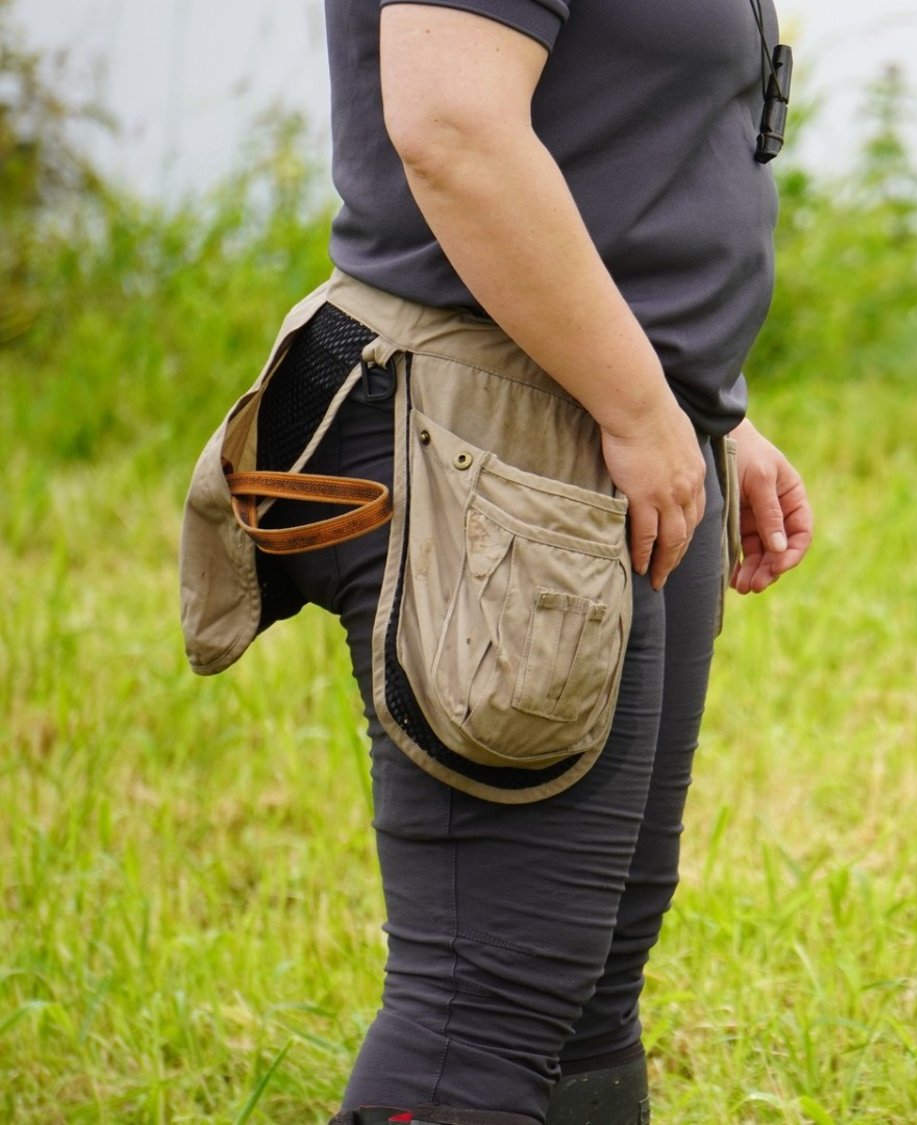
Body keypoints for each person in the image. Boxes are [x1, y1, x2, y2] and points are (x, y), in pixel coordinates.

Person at [238, 1, 808, 1121]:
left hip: (603, 417)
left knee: (588, 976)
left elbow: (610, 135)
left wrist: (700, 413)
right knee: (485, 998)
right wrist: (641, 405)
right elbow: (452, 128)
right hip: (491, 431)